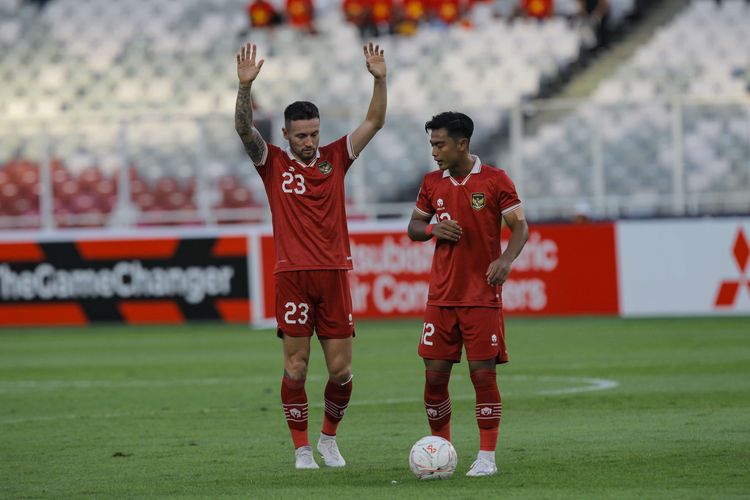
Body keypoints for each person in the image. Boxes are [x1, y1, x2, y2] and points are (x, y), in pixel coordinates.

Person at [234, 42, 387, 470]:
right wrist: (244, 89)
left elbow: (374, 120)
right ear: (285, 134)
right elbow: (245, 131)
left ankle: (328, 440)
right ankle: (302, 448)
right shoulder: (273, 162)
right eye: (300, 135)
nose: (308, 141)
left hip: (335, 273)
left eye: (314, 133)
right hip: (293, 276)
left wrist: (379, 79)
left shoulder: (336, 157)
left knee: (340, 372)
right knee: (297, 367)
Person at [407, 111, 528, 477]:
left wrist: (506, 259)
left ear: (463, 143)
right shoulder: (431, 183)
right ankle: (439, 451)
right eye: (431, 145)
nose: (434, 152)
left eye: (440, 144)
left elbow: (519, 226)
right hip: (441, 298)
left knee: (482, 375)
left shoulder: (495, 180)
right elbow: (414, 226)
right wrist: (432, 231)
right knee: (434, 378)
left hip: (480, 297)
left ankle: (487, 458)